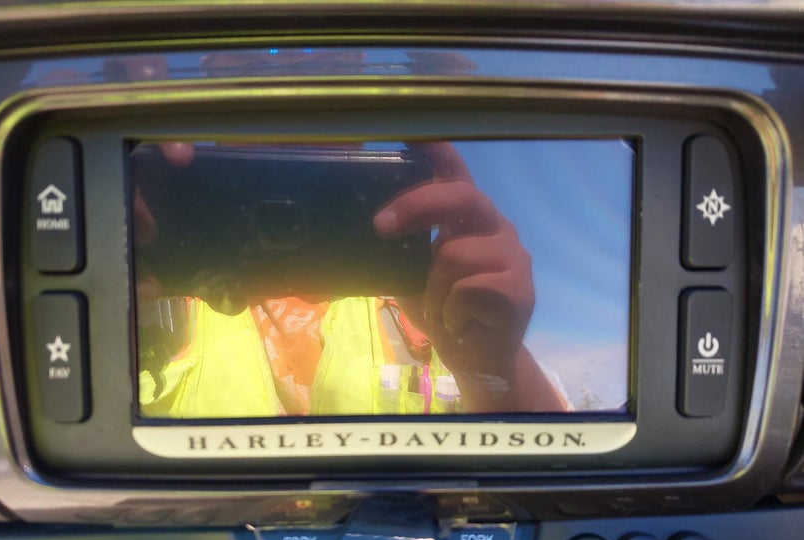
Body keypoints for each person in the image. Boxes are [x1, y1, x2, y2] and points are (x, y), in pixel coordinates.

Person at [135, 141, 569, 418]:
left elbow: (563, 489)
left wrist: (493, 371)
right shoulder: (149, 281)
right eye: (250, 51)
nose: (295, 70)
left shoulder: (436, 291)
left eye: (328, 52)